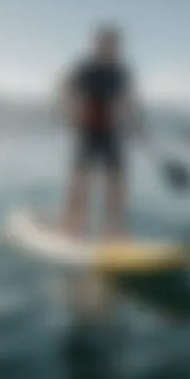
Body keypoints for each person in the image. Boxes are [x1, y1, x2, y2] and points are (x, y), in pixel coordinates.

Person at [55, 23, 141, 238]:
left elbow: (130, 99)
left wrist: (134, 121)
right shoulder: (86, 68)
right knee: (80, 179)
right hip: (88, 131)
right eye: (105, 43)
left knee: (117, 181)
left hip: (112, 133)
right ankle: (71, 224)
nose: (110, 47)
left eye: (114, 43)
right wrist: (68, 109)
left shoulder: (121, 72)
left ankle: (114, 229)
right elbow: (63, 87)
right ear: (97, 44)